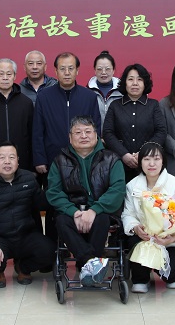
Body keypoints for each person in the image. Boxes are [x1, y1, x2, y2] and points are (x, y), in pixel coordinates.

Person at [46, 116, 126, 287]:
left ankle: (86, 264)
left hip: (102, 212)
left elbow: (117, 190)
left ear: (96, 135)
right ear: (70, 138)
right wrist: (74, 212)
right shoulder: (60, 161)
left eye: (88, 131)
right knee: (61, 220)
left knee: (102, 219)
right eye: (78, 132)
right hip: (71, 211)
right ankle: (91, 262)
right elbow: (53, 192)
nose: (83, 136)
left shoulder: (112, 159)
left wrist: (94, 210)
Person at [0, 142, 54, 287]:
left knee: (50, 252)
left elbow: (42, 204)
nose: (7, 161)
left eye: (11, 157)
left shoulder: (28, 178)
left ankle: (23, 268)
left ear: (18, 160)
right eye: (2, 157)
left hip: (26, 234)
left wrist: (53, 189)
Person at [121, 141, 175, 292]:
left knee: (169, 276)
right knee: (134, 243)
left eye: (156, 159)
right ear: (140, 162)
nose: (151, 164)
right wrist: (135, 228)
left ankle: (173, 275)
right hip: (144, 238)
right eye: (146, 159)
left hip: (169, 240)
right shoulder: (132, 186)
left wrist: (173, 238)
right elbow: (128, 214)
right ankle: (141, 278)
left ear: (163, 161)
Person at [32, 52, 101, 177]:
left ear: (77, 70)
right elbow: (38, 130)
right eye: (62, 69)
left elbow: (96, 129)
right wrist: (39, 159)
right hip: (53, 159)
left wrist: (96, 156)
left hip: (84, 159)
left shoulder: (89, 96)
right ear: (56, 71)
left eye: (71, 68)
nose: (67, 73)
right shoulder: (44, 97)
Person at [103, 63, 166, 181]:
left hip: (148, 164)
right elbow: (107, 132)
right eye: (130, 79)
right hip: (119, 163)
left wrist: (144, 152)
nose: (135, 83)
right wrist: (124, 154)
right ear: (125, 83)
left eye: (139, 79)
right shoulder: (115, 106)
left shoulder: (153, 105)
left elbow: (161, 131)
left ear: (145, 83)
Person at [87, 49, 123, 124]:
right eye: (99, 69)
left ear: (113, 70)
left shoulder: (122, 91)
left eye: (107, 69)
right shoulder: (87, 92)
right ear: (95, 70)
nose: (103, 72)